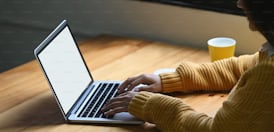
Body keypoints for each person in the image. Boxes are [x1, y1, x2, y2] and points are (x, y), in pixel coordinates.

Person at [102, 0, 274, 131]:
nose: (239, 3)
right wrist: (174, 79)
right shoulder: (268, 59)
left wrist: (150, 105)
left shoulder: (268, 73)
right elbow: (243, 67)